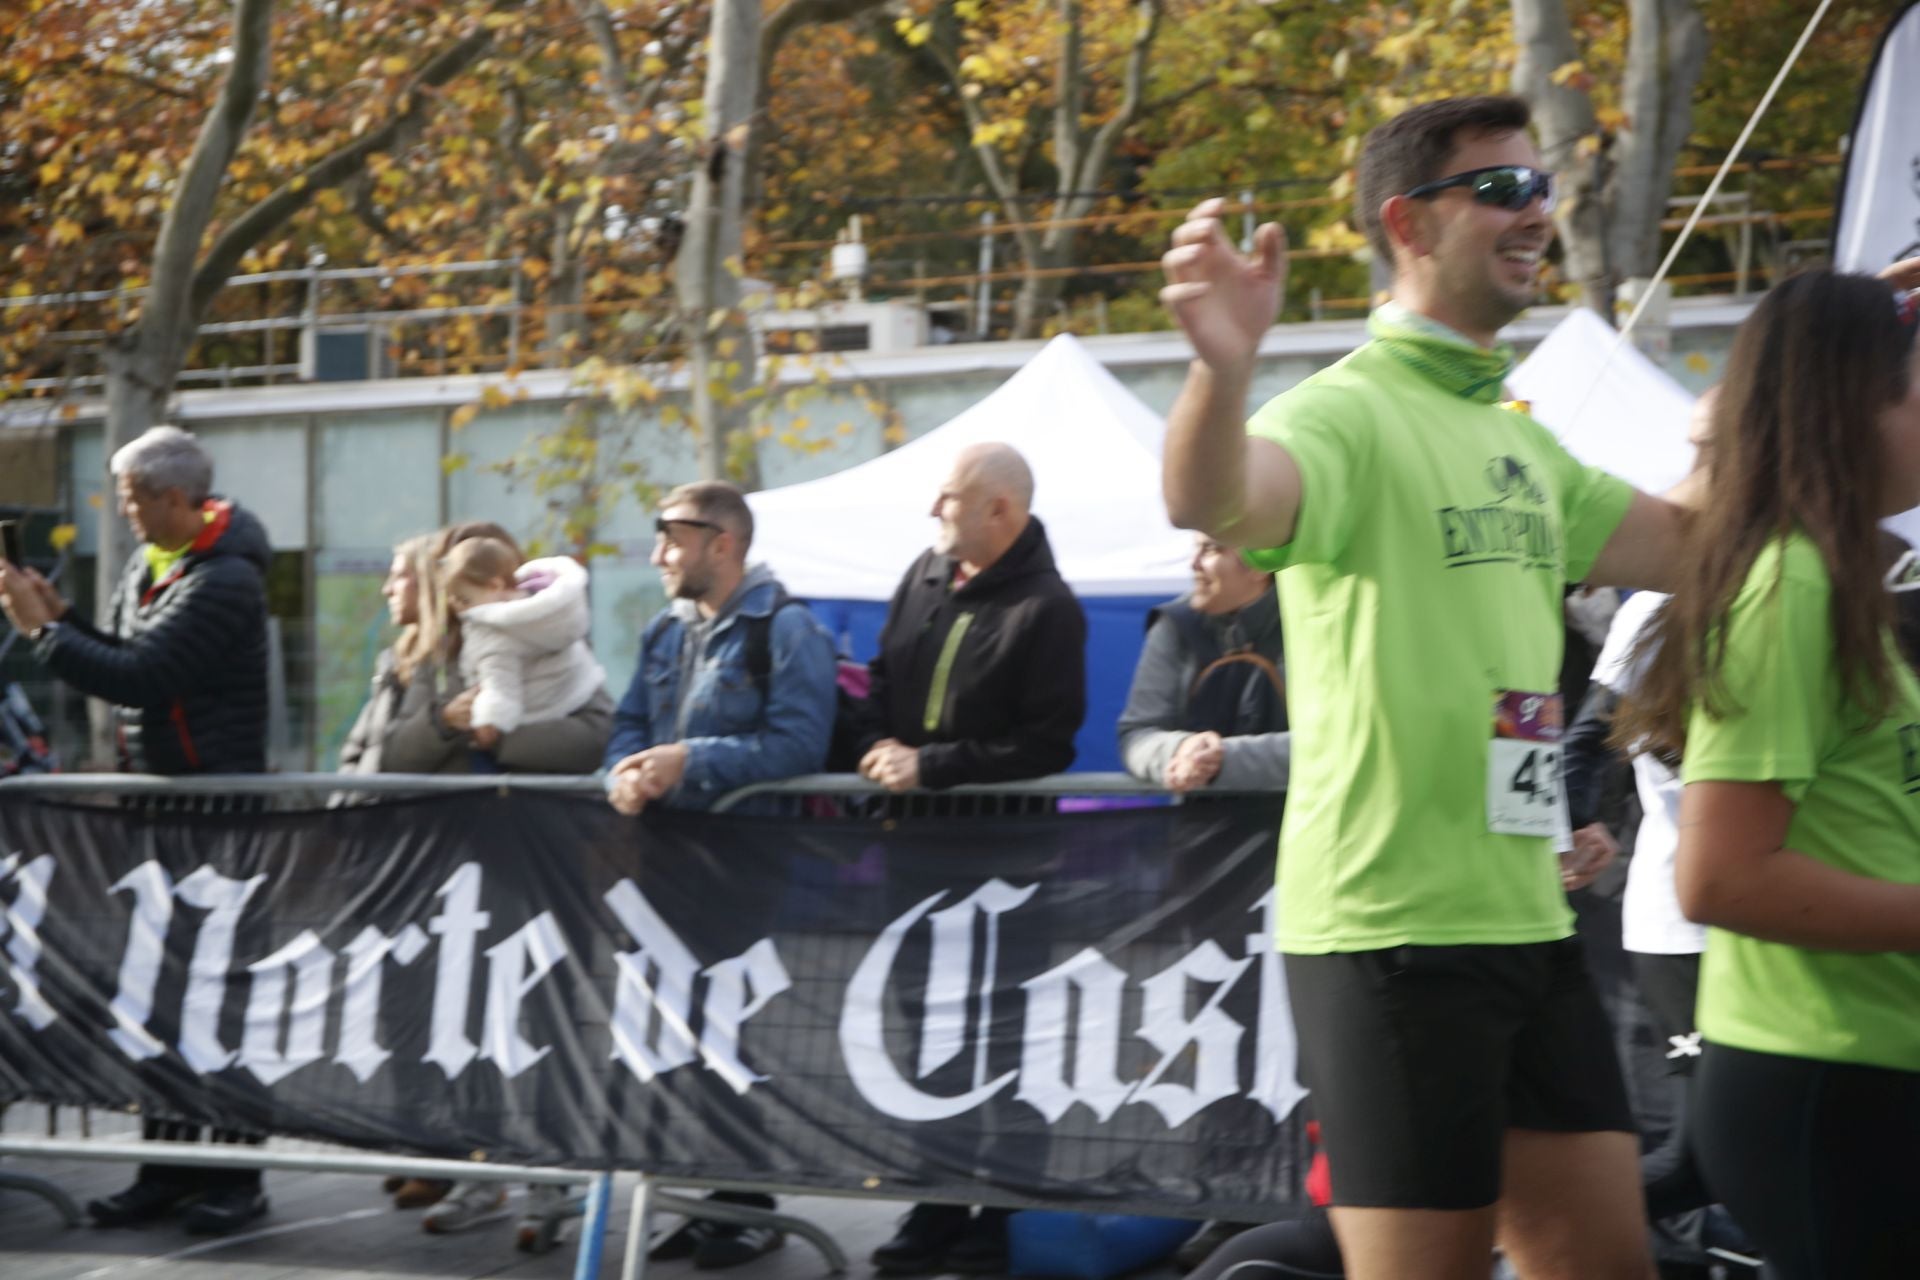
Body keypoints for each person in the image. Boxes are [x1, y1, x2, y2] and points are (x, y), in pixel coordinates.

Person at [1159, 95, 1688, 1280]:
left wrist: (1837, 399)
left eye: (1540, 185)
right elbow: (1210, 500)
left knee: (1607, 1263)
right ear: (1408, 221)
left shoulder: (1515, 435)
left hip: (1531, 915)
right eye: (1501, 189)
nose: (1537, 211)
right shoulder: (1344, 412)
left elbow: (1699, 546)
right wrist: (1221, 368)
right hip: (1394, 931)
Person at [1615, 267, 1920, 1278]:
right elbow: (1724, 878)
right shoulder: (1789, 583)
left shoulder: (1832, 573)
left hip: (1863, 1062)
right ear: (1857, 404)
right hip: (1827, 1076)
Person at [0, 424, 272, 1235]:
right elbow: (125, 651)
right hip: (159, 812)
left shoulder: (228, 579)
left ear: (175, 499)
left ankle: (235, 1175)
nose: (122, 514)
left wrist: (43, 635)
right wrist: (66, 617)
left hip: (216, 819)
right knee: (156, 997)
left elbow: (148, 679)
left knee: (215, 996)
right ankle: (167, 1168)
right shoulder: (154, 564)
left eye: (130, 500)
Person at [851, 442, 1087, 1277]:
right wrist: (881, 740)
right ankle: (937, 1200)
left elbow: (1047, 742)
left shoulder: (1049, 608)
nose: (933, 511)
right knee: (924, 1031)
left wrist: (934, 767)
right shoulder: (922, 573)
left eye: (948, 498)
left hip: (1007, 867)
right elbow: (880, 675)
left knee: (1004, 1036)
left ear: (1000, 511)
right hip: (918, 858)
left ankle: (1005, 1210)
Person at [604, 480, 838, 1269]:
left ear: (723, 544)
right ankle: (705, 1200)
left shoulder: (787, 628)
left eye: (672, 537)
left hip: (745, 867)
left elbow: (800, 745)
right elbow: (627, 725)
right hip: (664, 864)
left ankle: (746, 1203)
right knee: (673, 1040)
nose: (658, 554)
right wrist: (625, 773)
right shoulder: (663, 633)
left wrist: (687, 762)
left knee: (728, 1039)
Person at [339, 522, 614, 779]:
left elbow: (598, 736)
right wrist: (443, 721)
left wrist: (497, 735)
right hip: (456, 821)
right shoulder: (436, 654)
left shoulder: (550, 638)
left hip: (535, 816)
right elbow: (394, 758)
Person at [1118, 532, 1288, 795]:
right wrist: (1181, 749)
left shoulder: (1308, 626)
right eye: (1195, 549)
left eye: (1211, 550)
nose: (1193, 564)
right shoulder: (1175, 625)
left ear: (1259, 564)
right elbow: (1136, 735)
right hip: (1198, 829)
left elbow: (1334, 744)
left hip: (1304, 826)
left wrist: (1219, 759)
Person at [438, 536, 607, 768]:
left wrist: (489, 722)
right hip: (576, 694)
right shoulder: (548, 609)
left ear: (495, 586)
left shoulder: (491, 633)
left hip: (531, 720)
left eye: (464, 599)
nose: (459, 609)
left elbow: (501, 687)